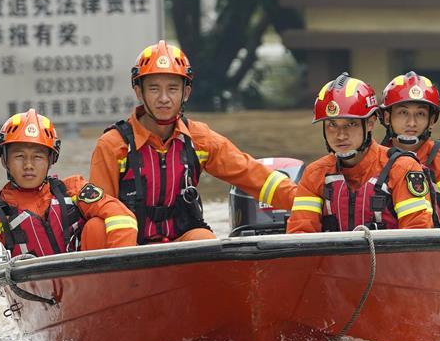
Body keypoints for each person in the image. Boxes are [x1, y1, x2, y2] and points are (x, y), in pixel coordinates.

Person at [90, 40, 296, 244]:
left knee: (204, 239)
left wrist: (306, 202)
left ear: (185, 93)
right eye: (154, 89)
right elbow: (98, 206)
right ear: (139, 91)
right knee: (96, 228)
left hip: (181, 241)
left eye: (172, 89)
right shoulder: (113, 145)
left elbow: (252, 174)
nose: (163, 98)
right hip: (128, 247)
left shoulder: (199, 139)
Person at [0, 108, 138, 277]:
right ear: (5, 160)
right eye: (19, 156)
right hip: (31, 292)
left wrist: (121, 269)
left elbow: (121, 215)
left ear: (50, 159)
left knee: (97, 227)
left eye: (37, 156)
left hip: (87, 284)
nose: (28, 165)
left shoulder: (73, 190)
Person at [288, 73, 436, 233]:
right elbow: (299, 238)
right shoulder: (315, 174)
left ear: (370, 123)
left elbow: (418, 239)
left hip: (389, 259)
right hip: (333, 259)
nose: (340, 135)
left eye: (351, 124)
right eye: (332, 124)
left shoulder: (402, 169)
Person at [379, 71, 440, 226]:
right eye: (403, 113)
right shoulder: (372, 161)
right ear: (387, 117)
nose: (411, 123)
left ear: (432, 120)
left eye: (420, 114)